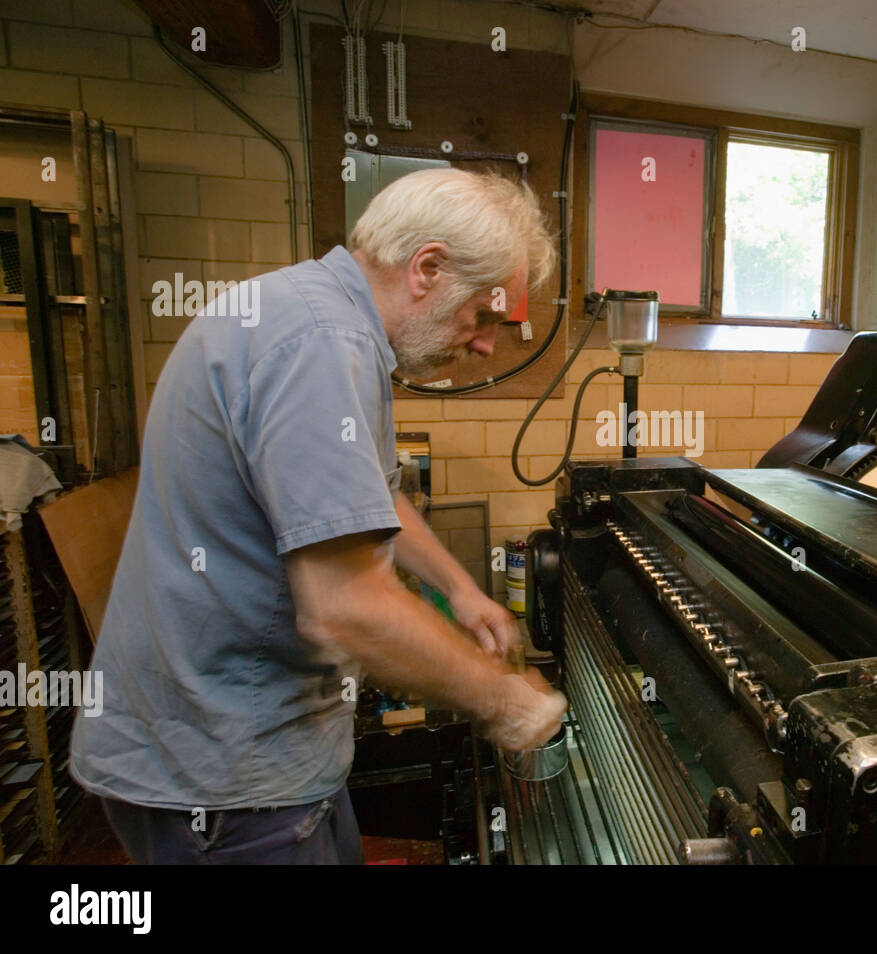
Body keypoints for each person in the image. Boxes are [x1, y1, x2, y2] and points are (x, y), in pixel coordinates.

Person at [69, 168, 567, 864]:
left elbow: (367, 493)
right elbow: (344, 608)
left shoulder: (309, 313)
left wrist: (458, 587)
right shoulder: (321, 346)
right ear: (427, 268)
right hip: (227, 780)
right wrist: (507, 700)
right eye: (483, 315)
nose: (486, 343)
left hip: (250, 751)